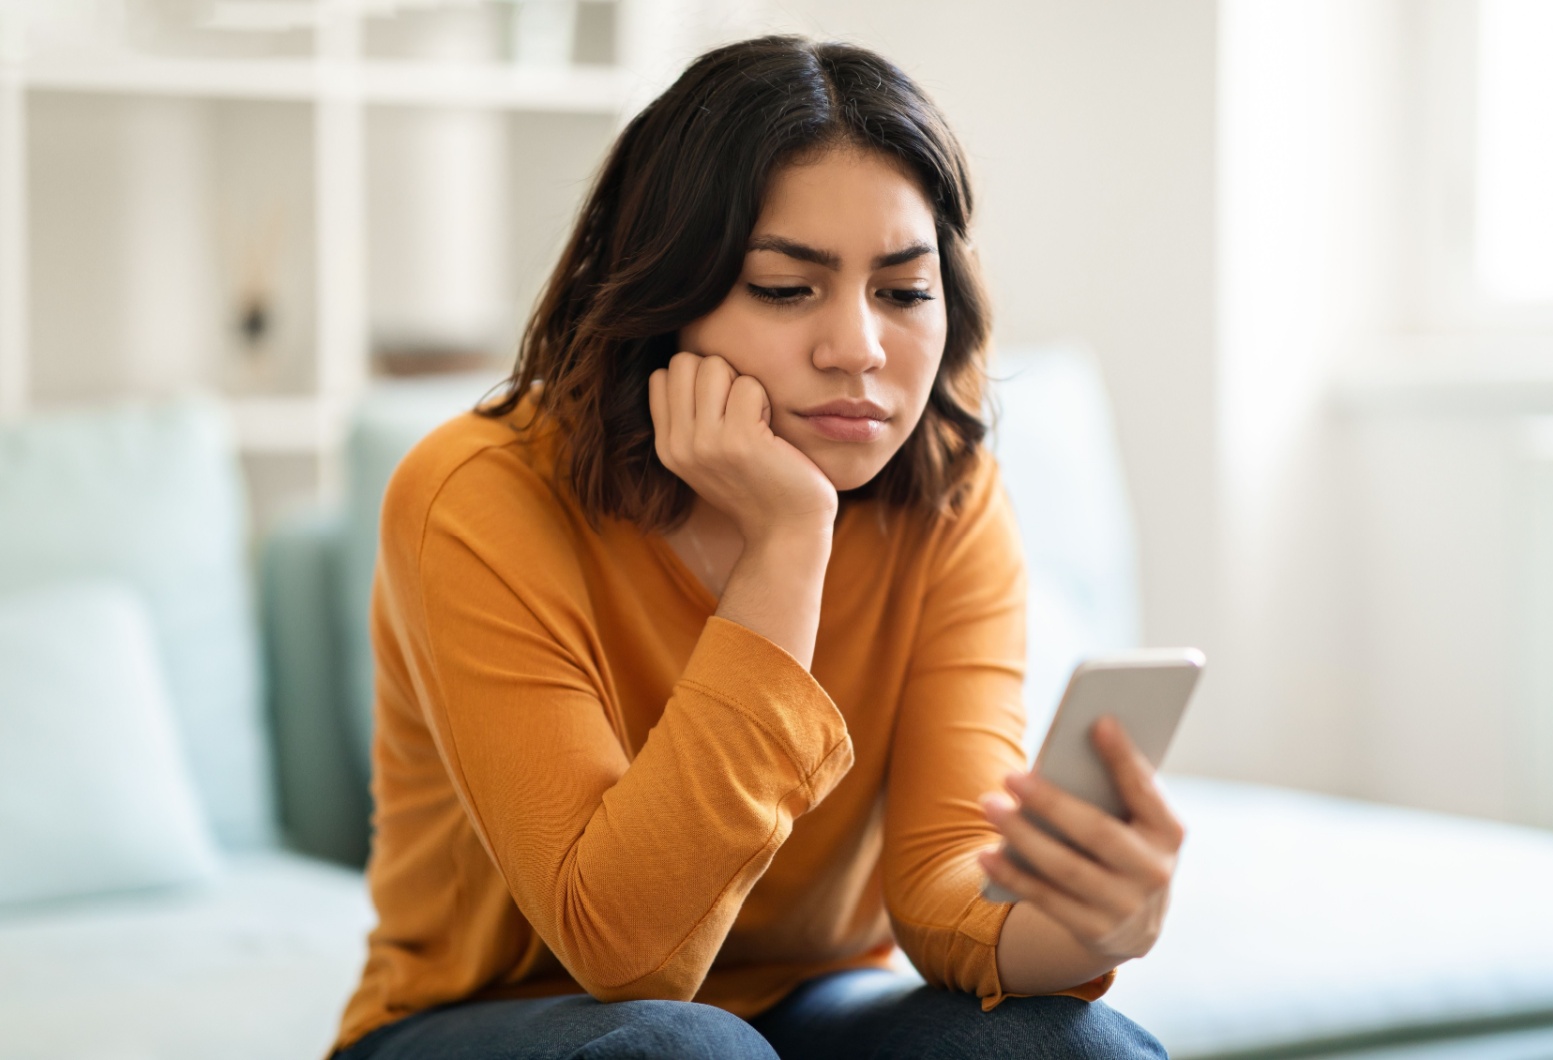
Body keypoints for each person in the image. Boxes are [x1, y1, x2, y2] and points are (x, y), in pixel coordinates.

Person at [331, 34, 1181, 1060]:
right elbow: (626, 953)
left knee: (1075, 1044)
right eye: (787, 288)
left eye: (903, 291)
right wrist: (788, 542)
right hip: (479, 1022)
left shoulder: (948, 506)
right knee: (679, 1051)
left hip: (804, 1010)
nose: (858, 348)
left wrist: (1088, 924)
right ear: (664, 297)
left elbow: (944, 887)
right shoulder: (476, 496)